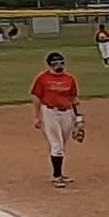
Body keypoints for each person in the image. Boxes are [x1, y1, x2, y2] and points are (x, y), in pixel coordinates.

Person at [29, 51, 84, 188]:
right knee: (57, 145)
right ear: (50, 65)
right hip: (50, 113)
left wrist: (78, 119)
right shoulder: (43, 78)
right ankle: (57, 176)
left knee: (62, 144)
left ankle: (60, 173)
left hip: (67, 113)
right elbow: (36, 97)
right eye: (56, 63)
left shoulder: (69, 79)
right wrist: (37, 116)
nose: (60, 66)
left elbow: (74, 99)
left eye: (61, 63)